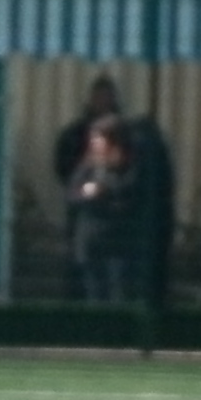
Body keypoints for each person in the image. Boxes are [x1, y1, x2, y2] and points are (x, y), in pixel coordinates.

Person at [62, 121, 142, 306]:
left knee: (118, 295)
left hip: (118, 245)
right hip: (91, 244)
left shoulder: (130, 167)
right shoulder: (88, 167)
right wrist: (86, 193)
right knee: (95, 296)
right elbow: (72, 195)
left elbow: (132, 195)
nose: (95, 144)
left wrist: (105, 190)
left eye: (99, 139)